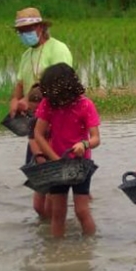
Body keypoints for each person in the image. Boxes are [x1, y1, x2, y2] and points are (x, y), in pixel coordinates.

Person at [9, 7, 73, 218]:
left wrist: (28, 99)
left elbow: (61, 82)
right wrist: (15, 99)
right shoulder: (27, 54)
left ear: (40, 27)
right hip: (35, 122)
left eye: (28, 28)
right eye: (21, 30)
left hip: (56, 121)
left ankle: (56, 235)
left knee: (54, 181)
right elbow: (20, 81)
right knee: (42, 183)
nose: (23, 34)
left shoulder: (58, 49)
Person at [31, 62, 100, 238]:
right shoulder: (48, 104)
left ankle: (89, 247)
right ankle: (57, 250)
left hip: (80, 164)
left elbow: (95, 139)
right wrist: (55, 158)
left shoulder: (85, 105)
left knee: (81, 211)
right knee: (58, 213)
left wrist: (84, 145)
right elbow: (38, 134)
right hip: (57, 165)